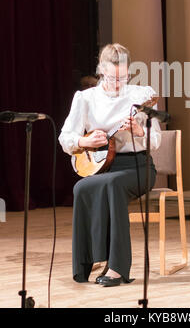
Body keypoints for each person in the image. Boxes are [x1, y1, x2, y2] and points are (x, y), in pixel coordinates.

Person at [58, 43, 161, 287]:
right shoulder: (86, 98)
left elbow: (155, 140)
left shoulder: (142, 95)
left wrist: (138, 131)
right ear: (101, 70)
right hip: (103, 165)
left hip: (138, 166)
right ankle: (85, 263)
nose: (118, 83)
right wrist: (84, 140)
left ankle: (117, 268)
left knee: (113, 184)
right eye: (113, 77)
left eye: (123, 77)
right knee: (81, 188)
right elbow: (65, 137)